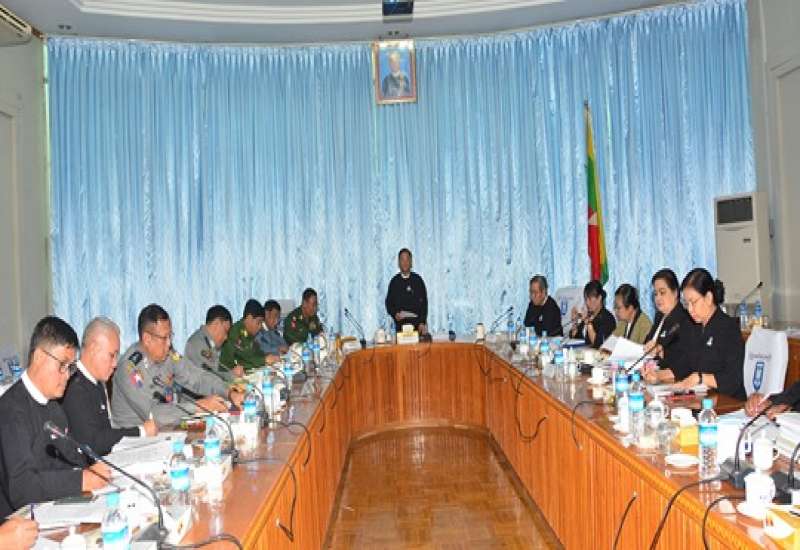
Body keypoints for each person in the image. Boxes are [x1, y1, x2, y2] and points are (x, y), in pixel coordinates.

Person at [0, 316, 109, 517]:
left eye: (71, 367)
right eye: (62, 365)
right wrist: (80, 480)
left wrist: (92, 471)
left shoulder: (54, 407)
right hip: (21, 522)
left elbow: (71, 459)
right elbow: (21, 488)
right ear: (39, 357)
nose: (67, 375)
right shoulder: (10, 410)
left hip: (56, 509)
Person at [112, 304, 239, 429]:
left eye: (170, 336)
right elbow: (154, 414)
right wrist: (199, 406)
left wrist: (228, 392)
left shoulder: (168, 355)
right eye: (164, 338)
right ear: (147, 339)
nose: (169, 343)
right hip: (136, 436)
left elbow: (196, 377)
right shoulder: (130, 370)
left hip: (166, 428)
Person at [61, 317, 158, 458]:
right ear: (93, 349)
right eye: (112, 355)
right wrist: (140, 432)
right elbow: (93, 442)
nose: (115, 363)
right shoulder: (73, 385)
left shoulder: (96, 382)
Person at [672, 269, 746, 399]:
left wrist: (701, 378)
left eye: (693, 302)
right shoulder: (692, 327)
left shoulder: (728, 328)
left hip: (728, 401)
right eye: (686, 304)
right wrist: (659, 375)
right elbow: (684, 365)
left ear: (708, 298)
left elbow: (733, 379)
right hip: (700, 398)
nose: (689, 309)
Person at [641, 269, 694, 385]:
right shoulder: (659, 316)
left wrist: (661, 351)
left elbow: (685, 358)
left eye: (662, 292)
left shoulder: (684, 319)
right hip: (653, 377)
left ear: (675, 293)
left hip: (673, 381)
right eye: (655, 294)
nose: (658, 298)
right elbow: (648, 343)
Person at [185, 305, 242, 381]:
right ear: (216, 324)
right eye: (225, 331)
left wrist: (232, 374)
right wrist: (232, 375)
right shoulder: (197, 343)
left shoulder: (208, 342)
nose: (226, 337)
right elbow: (211, 377)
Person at [220, 299, 278, 373]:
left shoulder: (249, 332)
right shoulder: (234, 333)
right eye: (258, 322)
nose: (260, 326)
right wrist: (264, 360)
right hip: (228, 375)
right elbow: (242, 359)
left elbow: (255, 353)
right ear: (249, 318)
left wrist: (268, 357)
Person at [385, 248, 428, 334]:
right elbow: (388, 303)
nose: (405, 263)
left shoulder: (418, 280)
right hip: (400, 328)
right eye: (402, 260)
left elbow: (424, 304)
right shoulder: (394, 282)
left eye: (407, 260)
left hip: (417, 327)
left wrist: (422, 322)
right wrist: (395, 314)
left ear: (411, 262)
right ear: (398, 263)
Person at [569, 280, 616, 349]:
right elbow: (575, 337)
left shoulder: (607, 318)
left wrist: (588, 323)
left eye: (590, 299)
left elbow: (598, 344)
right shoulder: (589, 314)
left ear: (599, 298)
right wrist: (574, 322)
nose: (587, 303)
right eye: (586, 299)